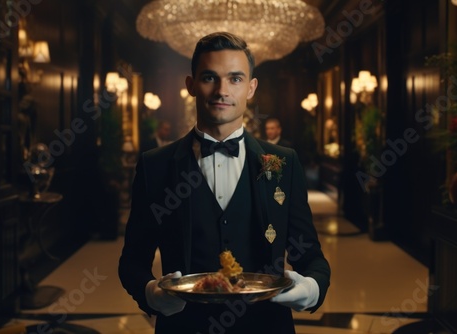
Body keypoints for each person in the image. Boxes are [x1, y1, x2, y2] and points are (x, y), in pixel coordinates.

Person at [119, 31, 330, 334]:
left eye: (235, 79)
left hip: (267, 327)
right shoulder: (156, 165)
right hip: (184, 328)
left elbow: (312, 258)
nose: (222, 90)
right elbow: (132, 262)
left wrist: (310, 288)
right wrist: (151, 294)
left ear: (251, 87)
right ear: (191, 85)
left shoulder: (283, 162)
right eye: (209, 78)